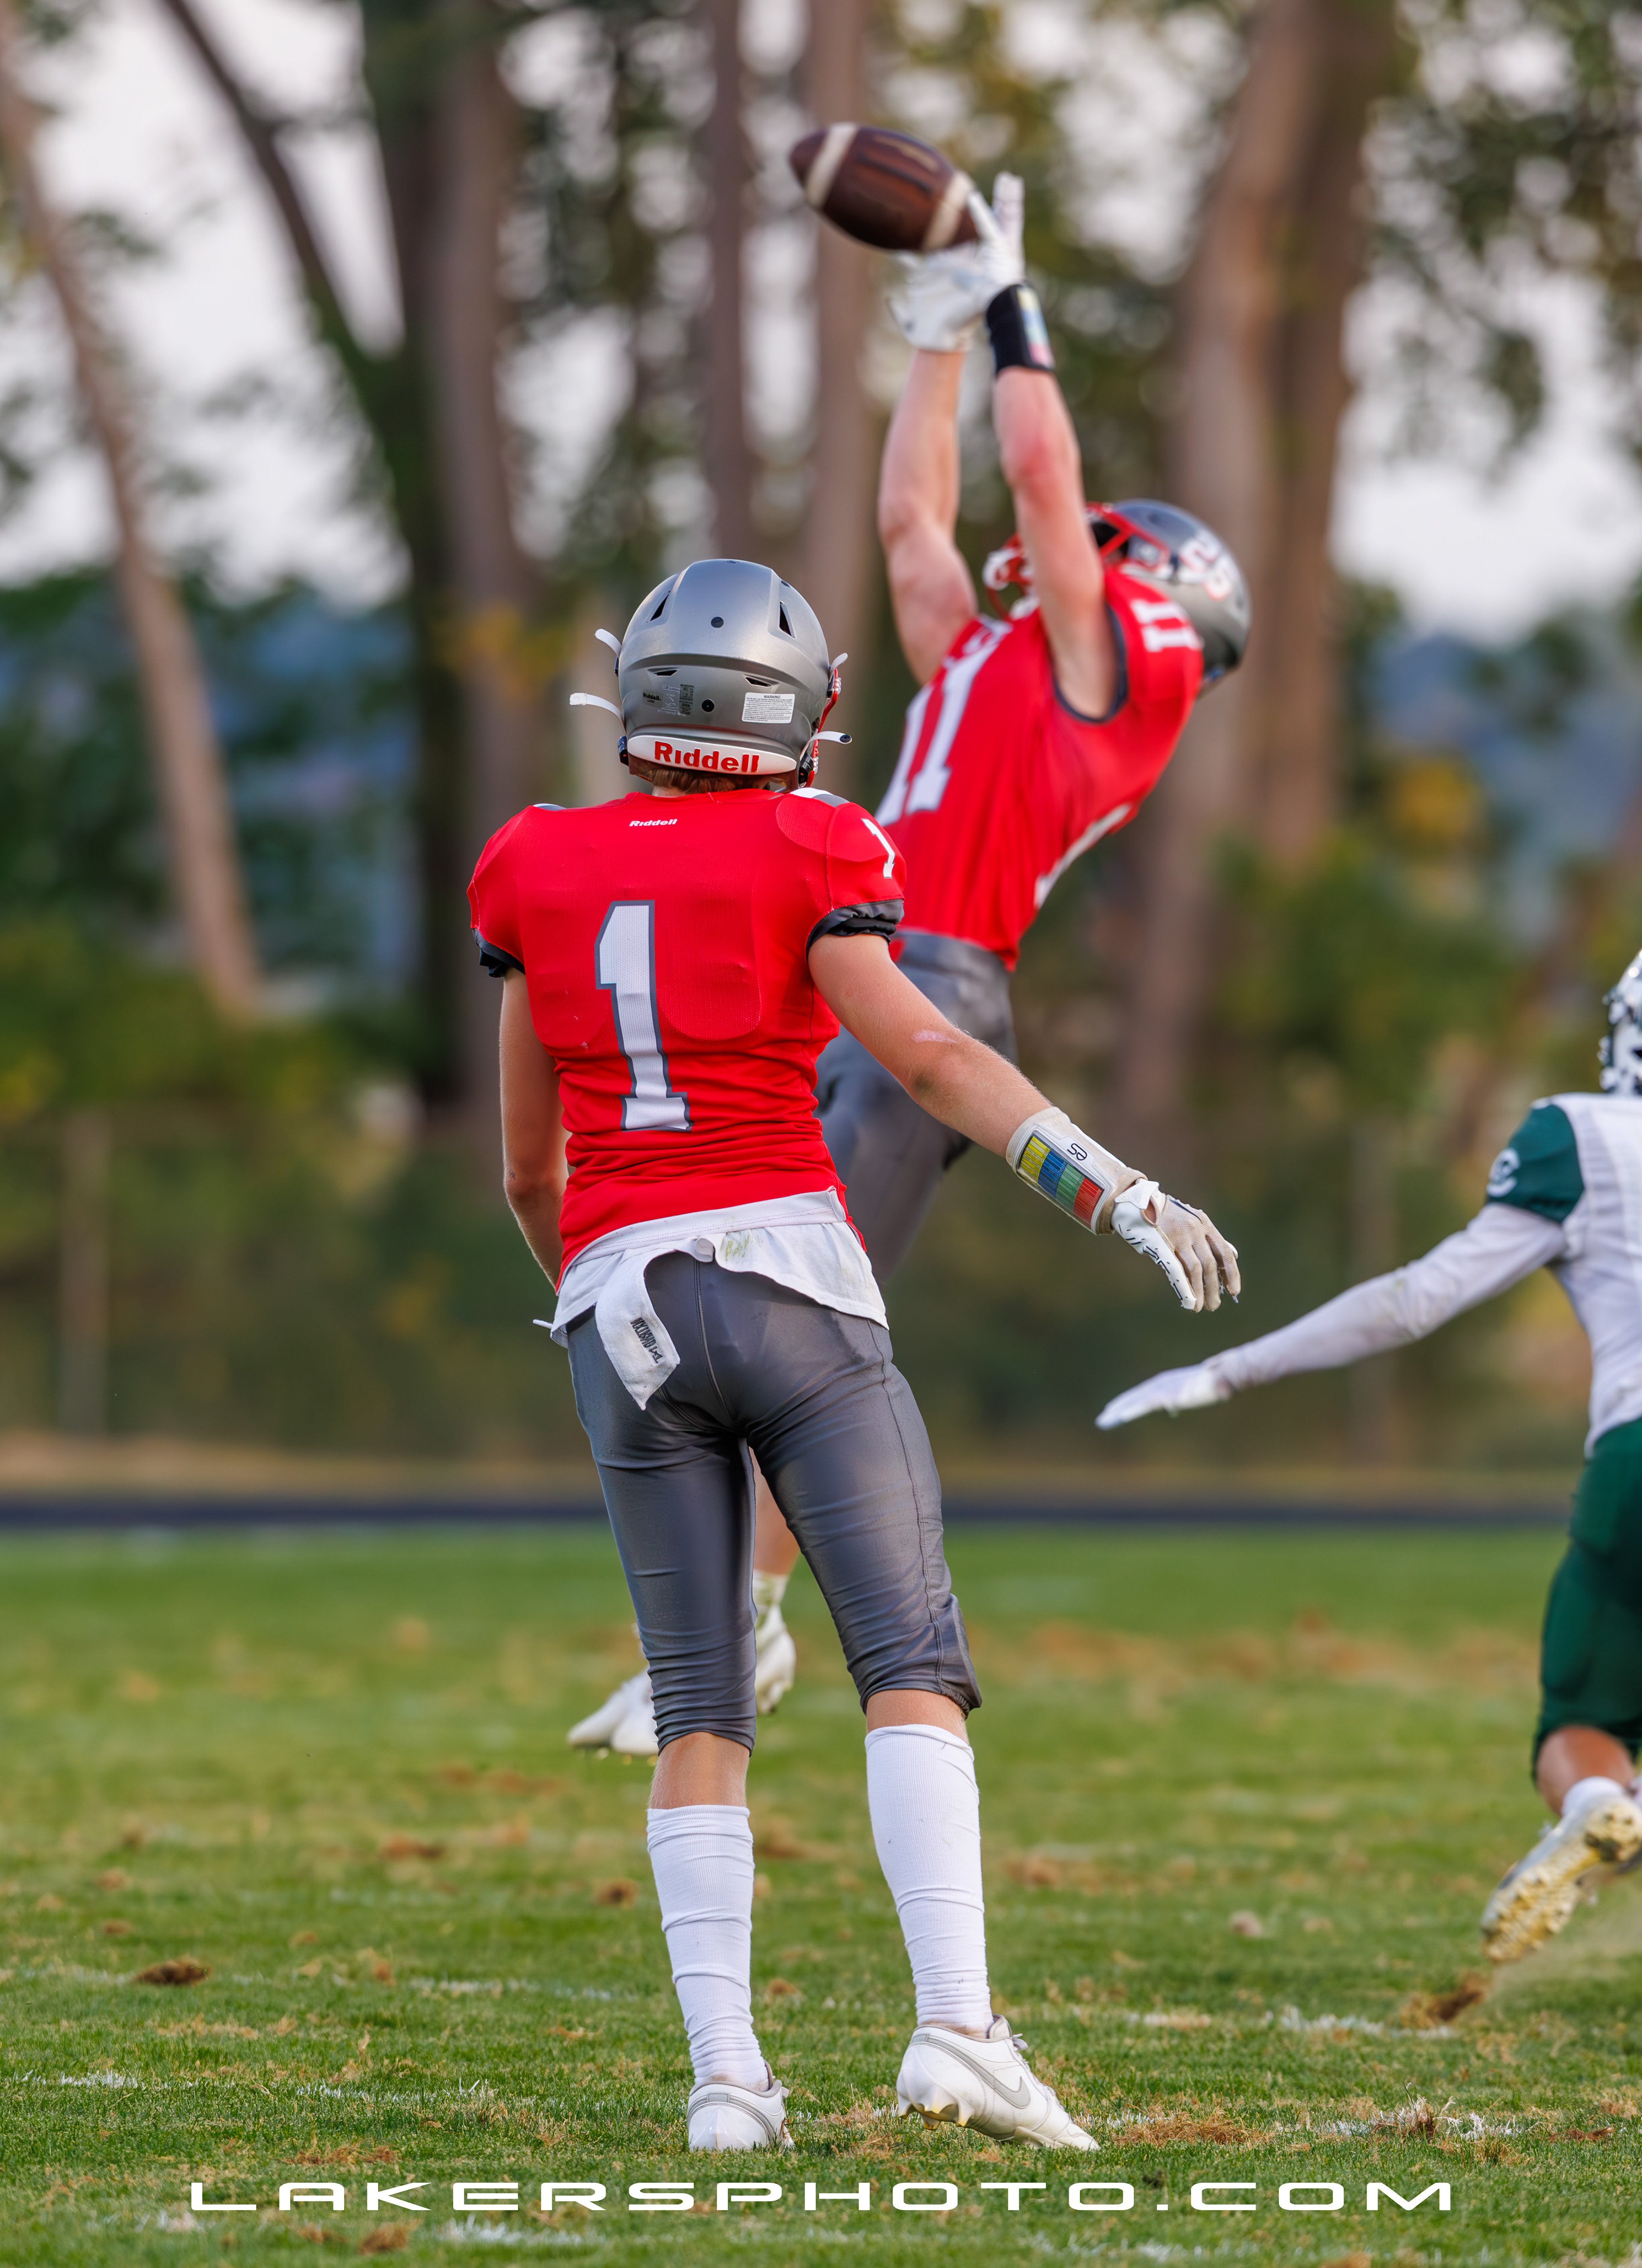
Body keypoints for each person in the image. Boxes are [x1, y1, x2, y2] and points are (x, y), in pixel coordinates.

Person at [475, 556, 1240, 2148]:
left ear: (641, 702)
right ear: (800, 714)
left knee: (699, 1704)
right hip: (792, 1286)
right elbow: (934, 1056)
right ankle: (956, 2029)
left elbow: (528, 1171)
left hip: (617, 1302)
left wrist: (597, 1303)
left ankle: (726, 2085)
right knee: (908, 1665)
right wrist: (1120, 1191)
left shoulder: (534, 861)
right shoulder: (813, 841)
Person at [573, 171, 1252, 1757]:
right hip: (842, 969)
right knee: (729, 1277)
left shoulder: (1115, 678)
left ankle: (740, 1629)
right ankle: (731, 1624)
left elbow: (1042, 477)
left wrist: (1013, 307)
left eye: (1095, 552)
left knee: (793, 1313)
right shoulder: (999, 666)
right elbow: (909, 525)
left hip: (928, 988)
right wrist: (939, 331)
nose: (1058, 553)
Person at [1096, 952, 1642, 1967]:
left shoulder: (1586, 1135)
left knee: (1584, 1718)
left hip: (1635, 1454)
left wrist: (1231, 1369)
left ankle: (1600, 1801)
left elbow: (1415, 1301)